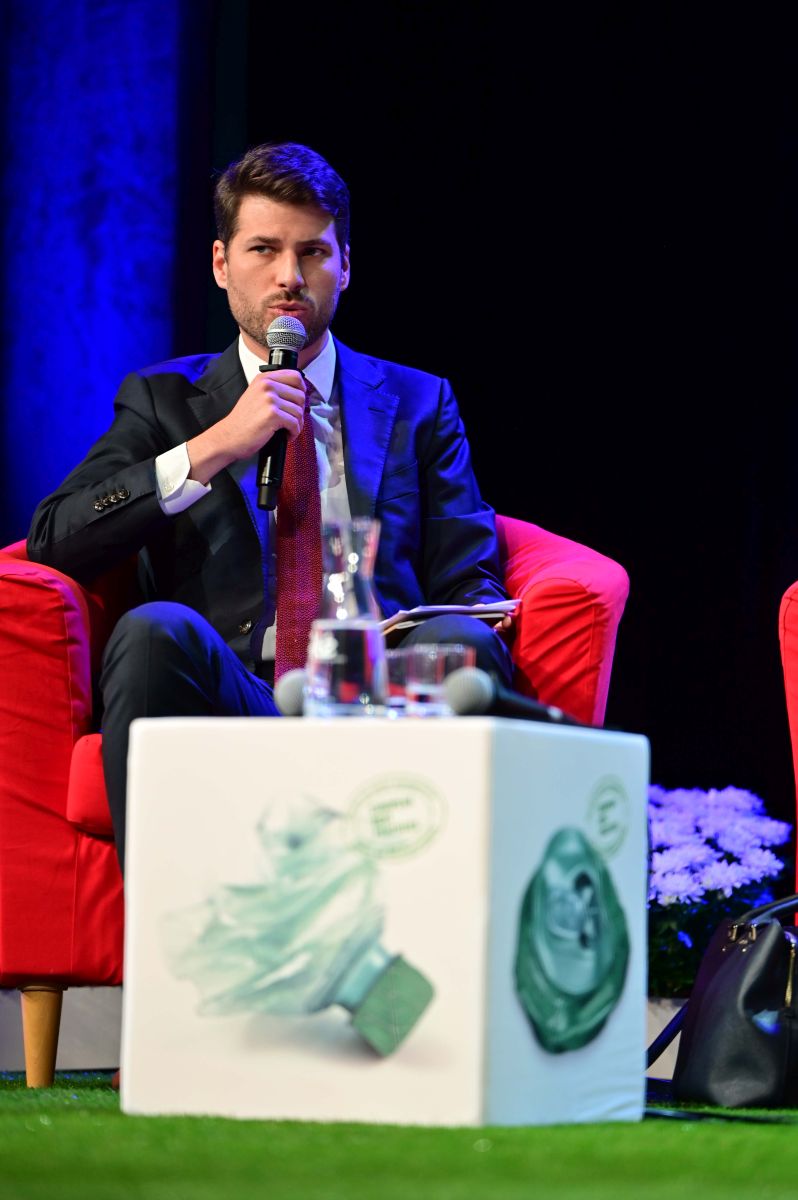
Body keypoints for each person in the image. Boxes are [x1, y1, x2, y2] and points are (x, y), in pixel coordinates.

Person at [26, 141, 515, 874]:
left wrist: (461, 622)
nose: (289, 276)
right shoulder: (163, 400)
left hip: (380, 698)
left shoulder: (420, 402)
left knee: (464, 644)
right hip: (238, 691)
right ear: (222, 263)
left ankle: (448, 917)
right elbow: (54, 537)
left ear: (344, 266)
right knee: (154, 631)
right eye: (264, 249)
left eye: (312, 252)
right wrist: (216, 444)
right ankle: (165, 922)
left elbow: (467, 575)